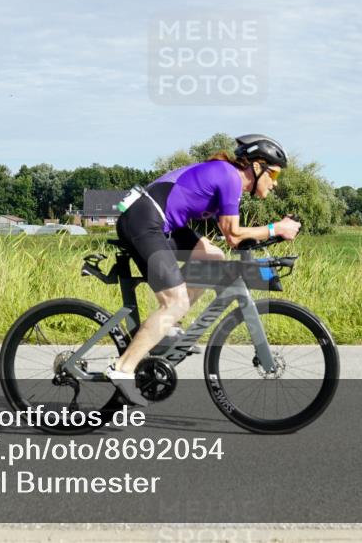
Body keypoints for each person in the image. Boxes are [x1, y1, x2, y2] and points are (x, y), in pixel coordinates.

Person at [105, 134, 302, 405]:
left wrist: (271, 234)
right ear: (257, 167)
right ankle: (122, 369)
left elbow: (230, 241)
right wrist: (274, 228)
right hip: (144, 221)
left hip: (162, 223)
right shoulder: (231, 178)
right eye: (275, 175)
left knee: (213, 255)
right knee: (175, 303)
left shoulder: (230, 179)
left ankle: (168, 327)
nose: (275, 184)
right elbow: (233, 234)